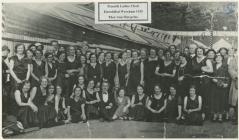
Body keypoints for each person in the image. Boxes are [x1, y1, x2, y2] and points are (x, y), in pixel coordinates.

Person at [190, 47, 213, 120]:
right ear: (196, 52)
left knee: (204, 97)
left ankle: (205, 114)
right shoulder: (193, 59)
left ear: (203, 52)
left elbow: (211, 70)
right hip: (195, 80)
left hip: (204, 81)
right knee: (197, 96)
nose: (199, 52)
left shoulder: (207, 59)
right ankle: (197, 113)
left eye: (201, 51)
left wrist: (203, 68)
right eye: (198, 51)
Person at [211, 54, 230, 122]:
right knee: (215, 100)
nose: (218, 59)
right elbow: (211, 75)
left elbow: (228, 76)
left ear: (222, 58)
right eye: (216, 58)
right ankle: (215, 115)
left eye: (219, 57)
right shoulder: (213, 66)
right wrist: (214, 80)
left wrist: (226, 84)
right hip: (214, 85)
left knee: (222, 100)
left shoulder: (226, 66)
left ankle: (220, 115)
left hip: (223, 86)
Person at [228, 52, 238, 123]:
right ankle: (237, 117)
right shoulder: (233, 60)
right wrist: (236, 76)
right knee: (236, 101)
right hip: (236, 82)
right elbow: (230, 69)